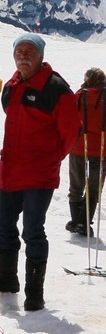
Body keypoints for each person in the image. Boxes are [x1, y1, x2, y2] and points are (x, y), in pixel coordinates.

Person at [0, 33, 80, 310]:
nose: (23, 56)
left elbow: (70, 132)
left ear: (41, 55)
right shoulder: (12, 85)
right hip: (10, 171)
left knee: (32, 231)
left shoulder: (56, 88)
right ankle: (7, 280)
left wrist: (49, 159)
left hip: (39, 175)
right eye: (19, 51)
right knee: (3, 226)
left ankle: (34, 292)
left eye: (30, 51)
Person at [66, 67, 105, 236]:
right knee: (94, 188)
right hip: (101, 149)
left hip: (78, 146)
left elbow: (70, 119)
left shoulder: (79, 94)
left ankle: (76, 221)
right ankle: (82, 222)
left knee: (76, 186)